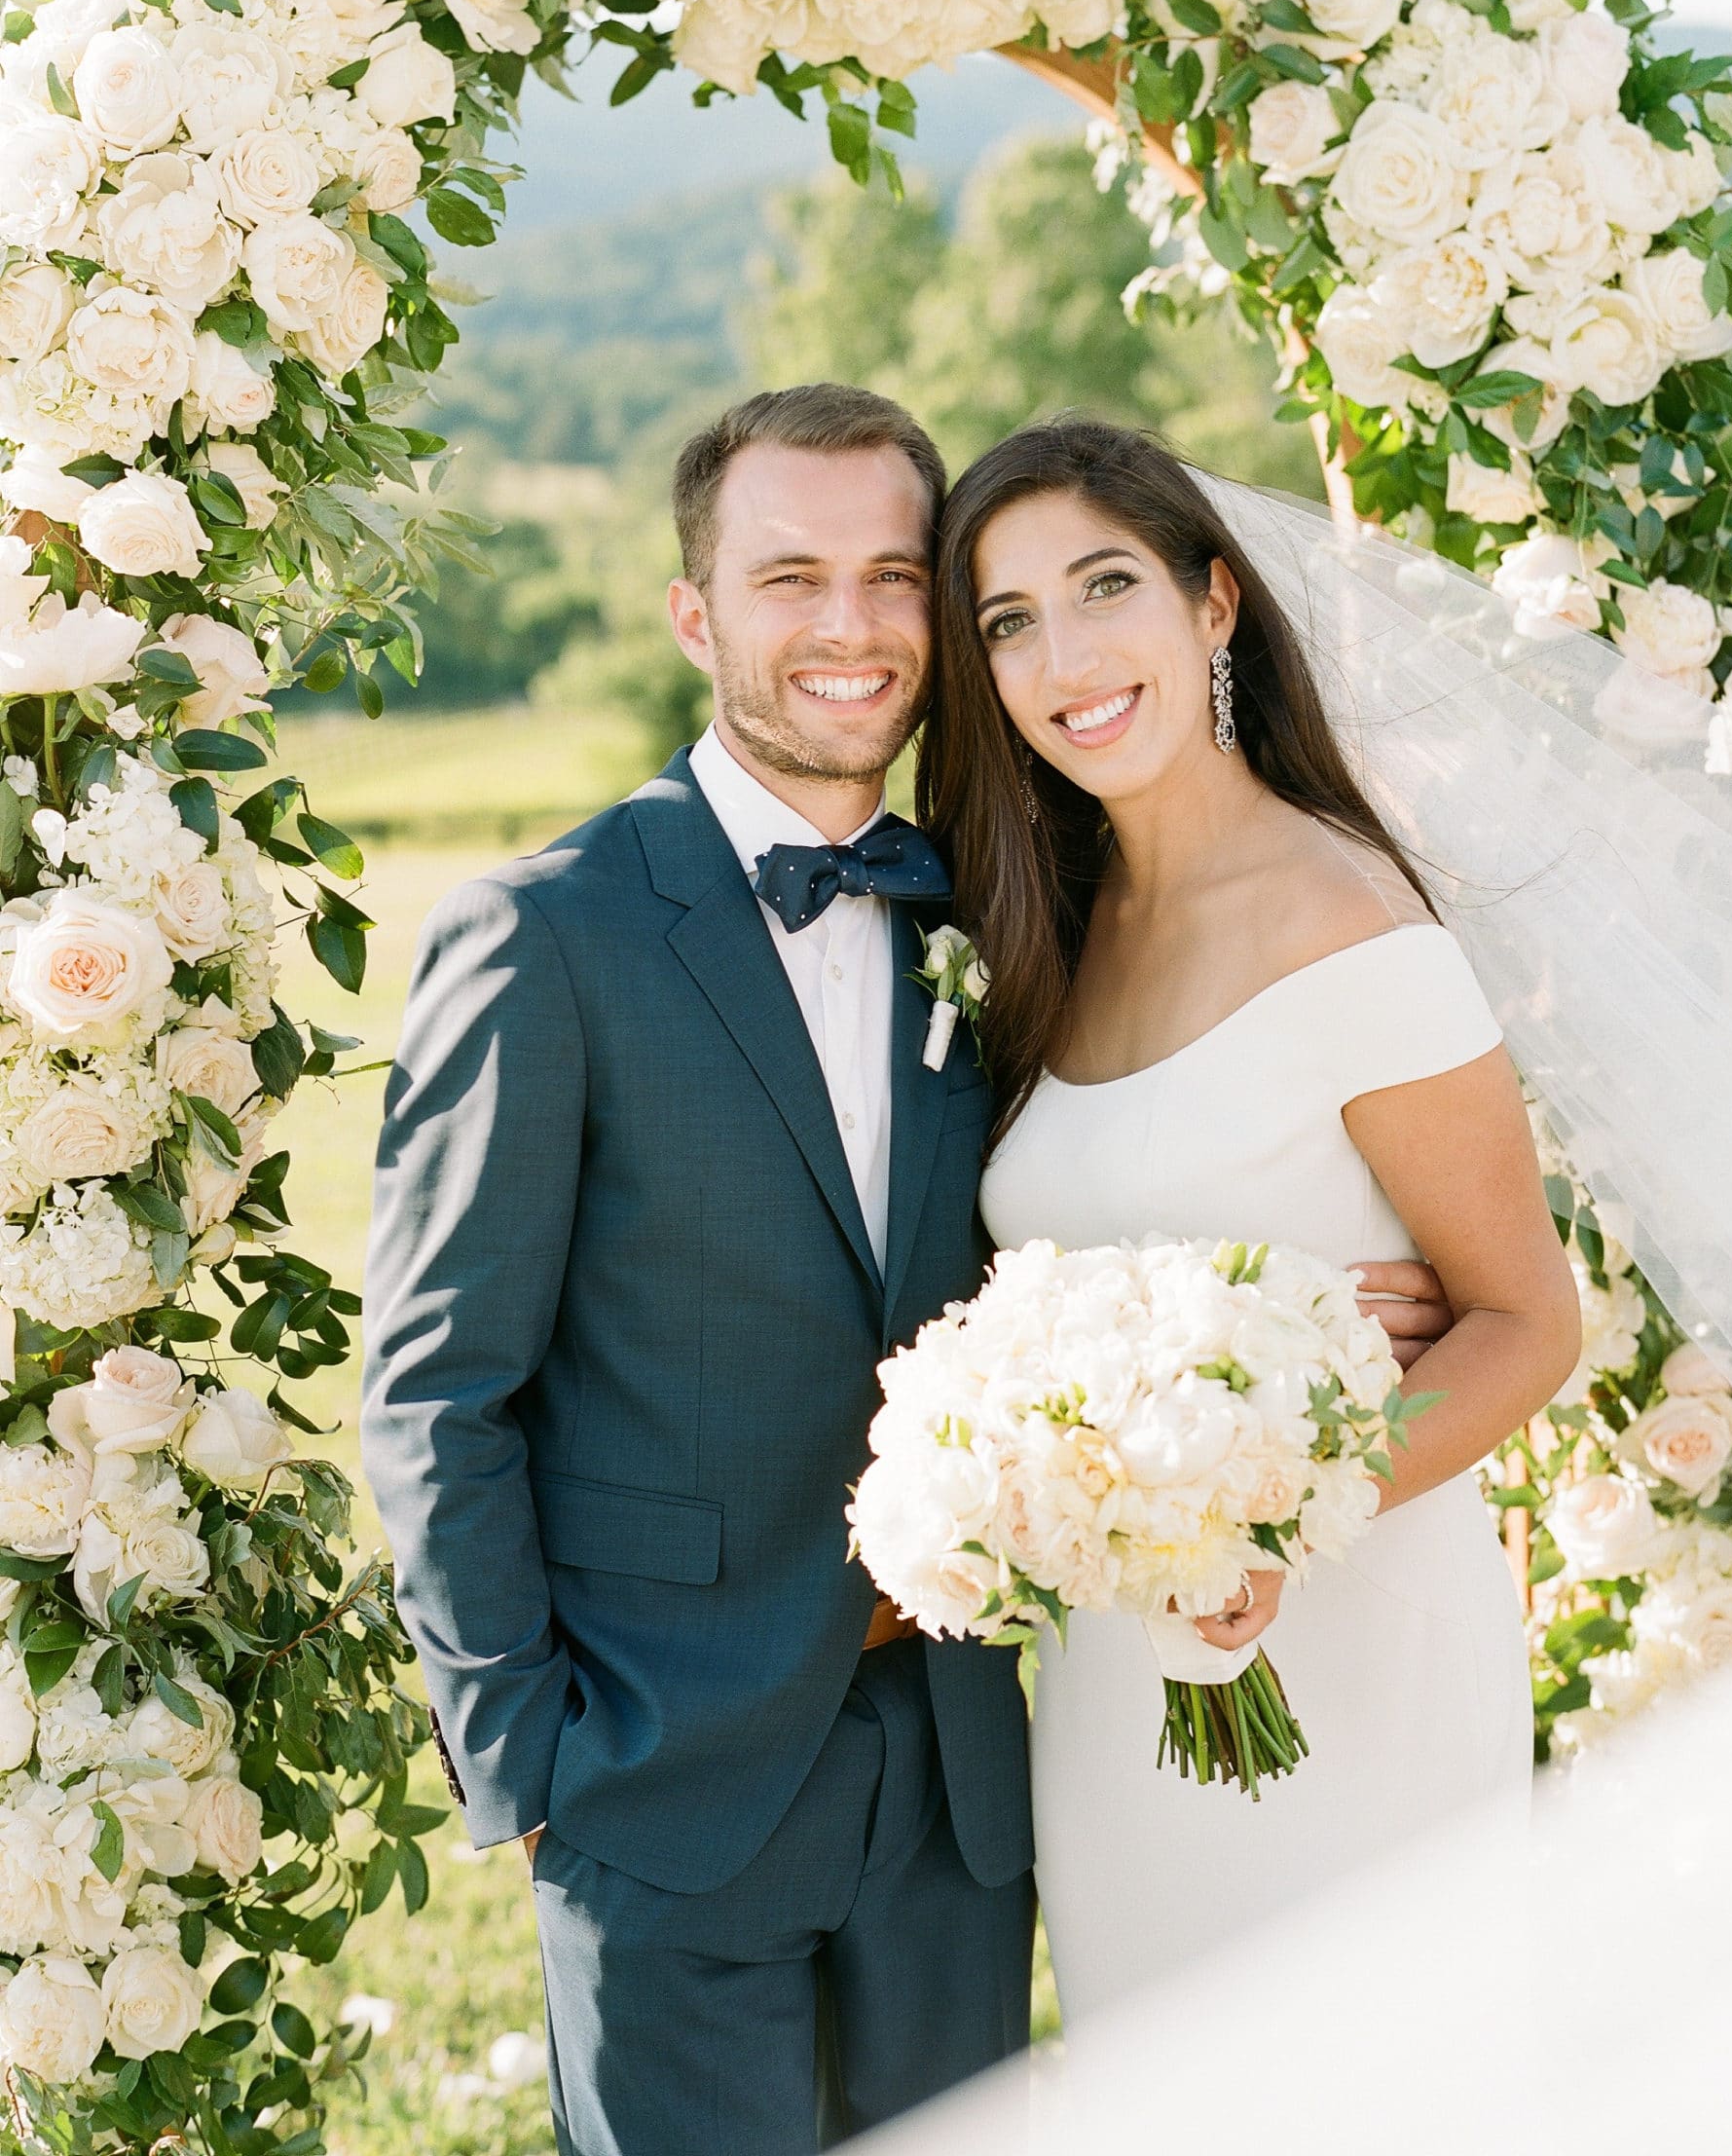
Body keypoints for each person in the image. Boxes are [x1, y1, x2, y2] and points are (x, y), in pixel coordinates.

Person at [361, 384, 1457, 2150]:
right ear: (696, 616)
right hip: (661, 1775)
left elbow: (1105, 1190)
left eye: (893, 577)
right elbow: (436, 1390)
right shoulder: (541, 935)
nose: (855, 628)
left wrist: (1318, 1303)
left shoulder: (997, 910)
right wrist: (537, 1770)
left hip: (958, 1780)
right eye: (792, 578)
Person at [920, 415, 1581, 2026]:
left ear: (1214, 604)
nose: (1064, 655)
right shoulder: (1049, 928)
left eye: (1103, 588)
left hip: (1349, 1647)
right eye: (1009, 623)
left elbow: (1526, 1321)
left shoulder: (1349, 920)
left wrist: (1274, 1519)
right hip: (1115, 1677)